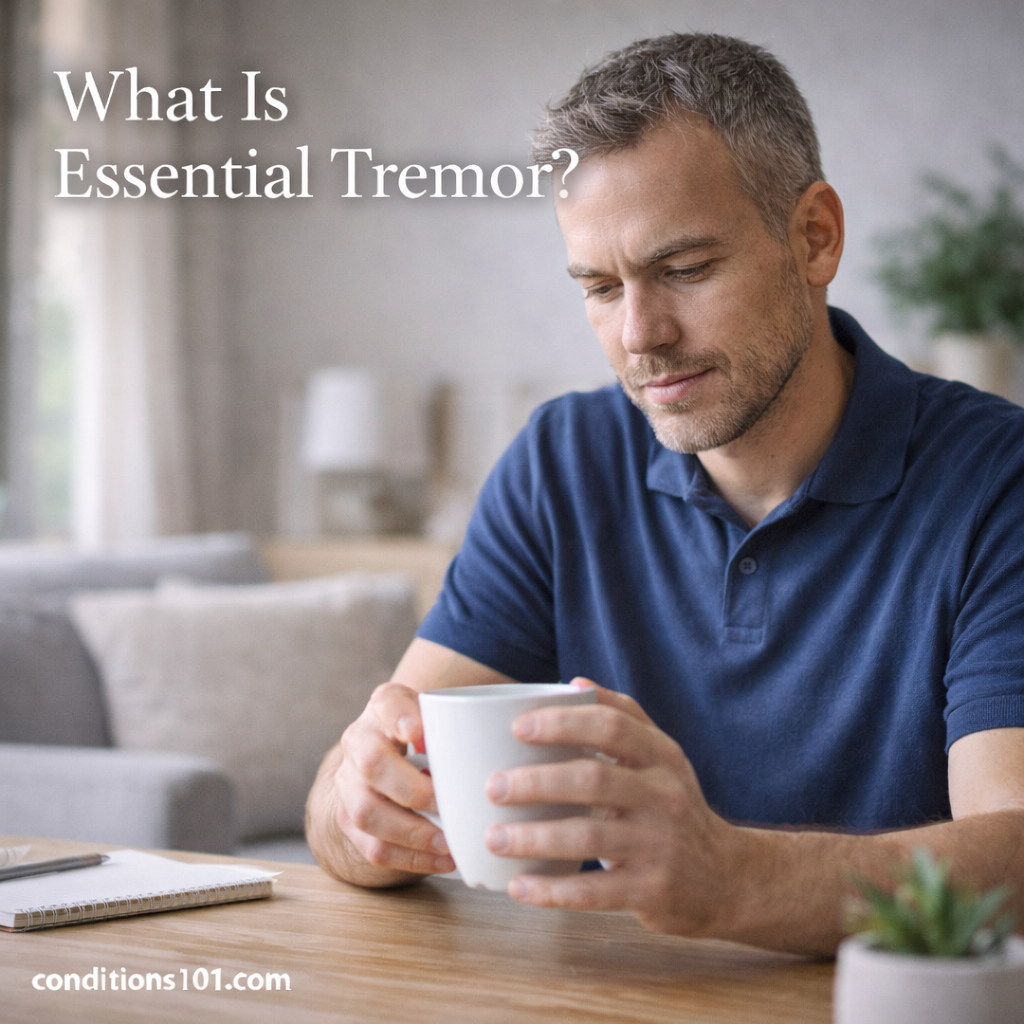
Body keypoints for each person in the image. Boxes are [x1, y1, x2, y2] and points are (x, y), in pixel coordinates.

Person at [306, 33, 1024, 955]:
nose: (639, 335)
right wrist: (359, 812)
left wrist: (731, 878)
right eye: (600, 287)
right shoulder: (560, 460)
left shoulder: (997, 480)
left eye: (684, 269)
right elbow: (351, 788)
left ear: (814, 237)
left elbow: (1014, 854)